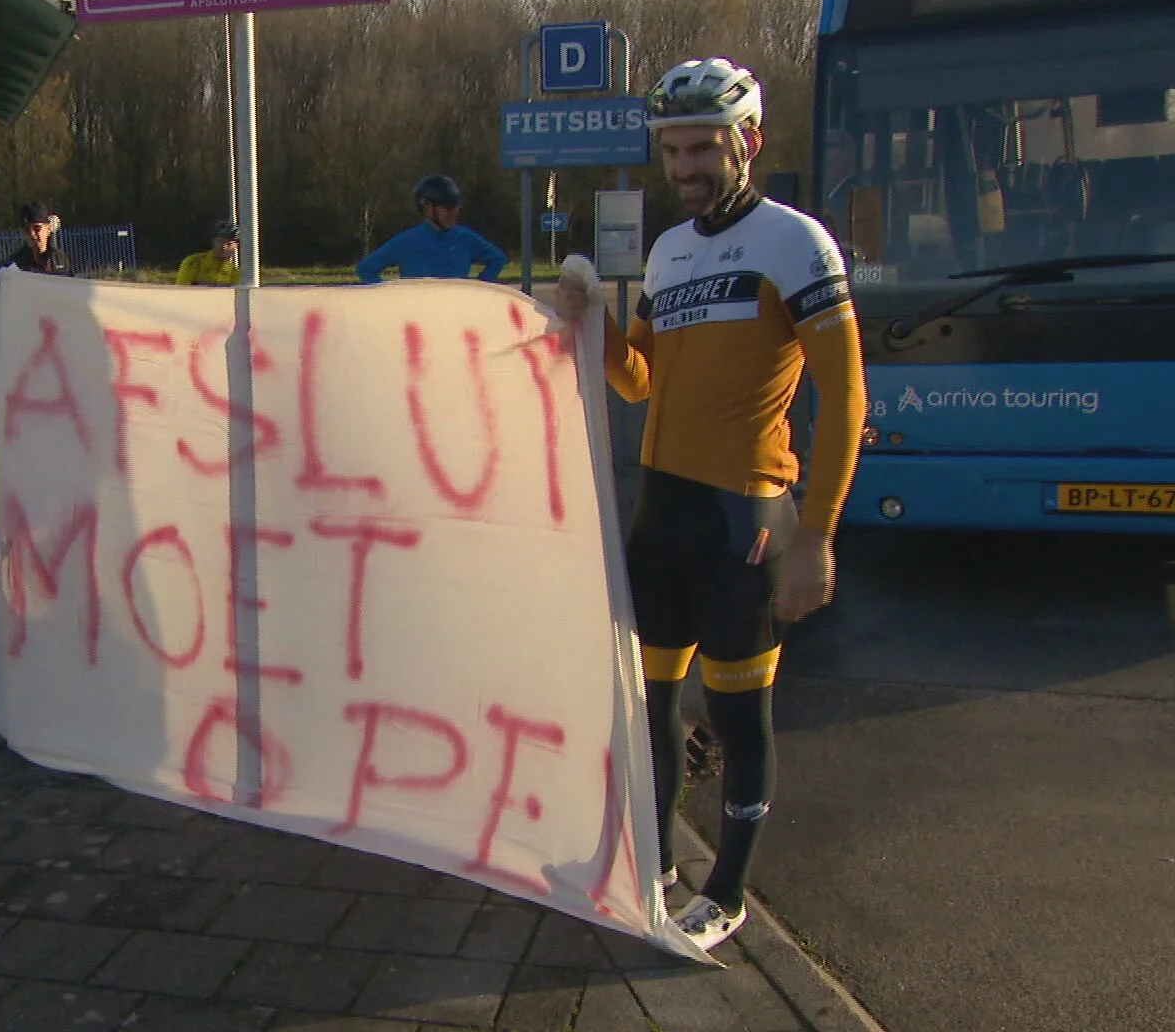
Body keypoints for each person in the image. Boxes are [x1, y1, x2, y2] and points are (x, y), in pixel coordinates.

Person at [555, 58, 867, 951]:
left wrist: (819, 534)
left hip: (747, 524)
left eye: (703, 147)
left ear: (748, 144)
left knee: (737, 717)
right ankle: (652, 862)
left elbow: (846, 401)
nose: (685, 166)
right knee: (648, 704)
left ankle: (724, 890)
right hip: (665, 518)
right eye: (673, 150)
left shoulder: (795, 243)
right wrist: (596, 325)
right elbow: (639, 380)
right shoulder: (670, 250)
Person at [355, 175, 508, 283]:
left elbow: (497, 259)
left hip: (456, 318)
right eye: (447, 208)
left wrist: (478, 288)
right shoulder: (406, 242)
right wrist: (394, 298)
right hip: (421, 320)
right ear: (428, 208)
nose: (453, 213)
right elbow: (365, 269)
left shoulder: (464, 238)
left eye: (456, 207)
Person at [0, 201, 72, 278]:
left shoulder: (59, 258)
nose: (32, 233)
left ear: (48, 228)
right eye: (27, 229)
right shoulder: (16, 265)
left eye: (37, 228)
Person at [176, 220, 241, 286]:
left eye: (229, 243)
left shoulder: (234, 270)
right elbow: (181, 291)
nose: (224, 247)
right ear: (213, 242)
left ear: (236, 246)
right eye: (220, 241)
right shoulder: (194, 262)